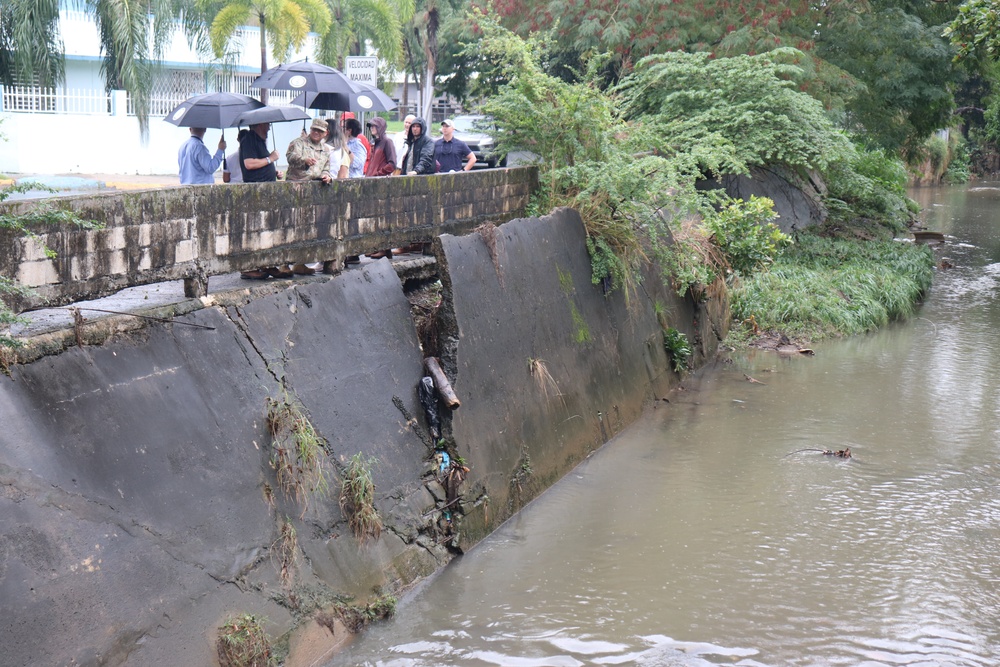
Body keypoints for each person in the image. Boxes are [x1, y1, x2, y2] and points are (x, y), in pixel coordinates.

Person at [238, 123, 289, 280]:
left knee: (267, 231)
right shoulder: (249, 139)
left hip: (265, 192)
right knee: (255, 231)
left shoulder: (259, 141)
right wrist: (270, 159)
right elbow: (249, 164)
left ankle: (267, 264)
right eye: (267, 125)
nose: (268, 128)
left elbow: (258, 163)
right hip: (256, 193)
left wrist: (273, 172)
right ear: (260, 124)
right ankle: (249, 268)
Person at [286, 118, 332, 184]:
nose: (316, 132)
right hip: (296, 185)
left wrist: (326, 176)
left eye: (320, 131)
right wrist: (304, 161)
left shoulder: (326, 149)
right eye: (314, 129)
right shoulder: (298, 143)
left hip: (316, 187)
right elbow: (290, 157)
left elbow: (326, 168)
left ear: (325, 133)